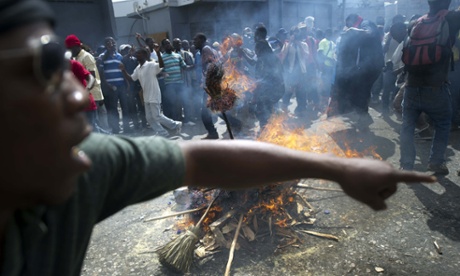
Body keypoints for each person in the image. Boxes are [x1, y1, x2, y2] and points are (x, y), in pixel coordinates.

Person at [0, 1, 435, 275]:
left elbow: (205, 160)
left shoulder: (80, 167)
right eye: (42, 69)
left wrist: (339, 167)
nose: (80, 95)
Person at [399, 0, 460, 174]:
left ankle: (406, 164)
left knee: (407, 126)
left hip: (411, 86)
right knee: (442, 123)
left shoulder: (414, 23)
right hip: (436, 87)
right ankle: (436, 162)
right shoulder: (452, 19)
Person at [120, 47, 182, 137]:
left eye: (139, 53)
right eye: (136, 54)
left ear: (145, 55)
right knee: (149, 118)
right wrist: (123, 70)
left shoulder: (151, 65)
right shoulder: (138, 68)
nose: (137, 55)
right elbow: (131, 78)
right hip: (146, 96)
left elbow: (161, 66)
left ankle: (176, 125)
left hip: (154, 94)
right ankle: (163, 133)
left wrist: (158, 53)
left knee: (156, 116)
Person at [65, 34, 109, 131]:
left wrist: (86, 90)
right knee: (94, 125)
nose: (69, 51)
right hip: (86, 93)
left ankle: (108, 139)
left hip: (92, 92)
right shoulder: (76, 58)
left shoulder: (86, 57)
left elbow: (92, 76)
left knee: (94, 124)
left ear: (77, 46)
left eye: (70, 48)